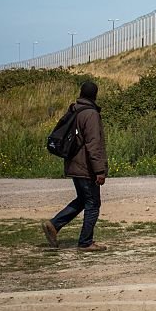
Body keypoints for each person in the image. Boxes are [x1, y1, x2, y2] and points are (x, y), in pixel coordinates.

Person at [41, 81, 108, 252]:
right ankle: (86, 242)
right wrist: (99, 170)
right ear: (95, 95)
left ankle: (54, 225)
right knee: (93, 204)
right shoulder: (91, 114)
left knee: (82, 200)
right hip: (86, 167)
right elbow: (94, 144)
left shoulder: (74, 110)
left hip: (73, 164)